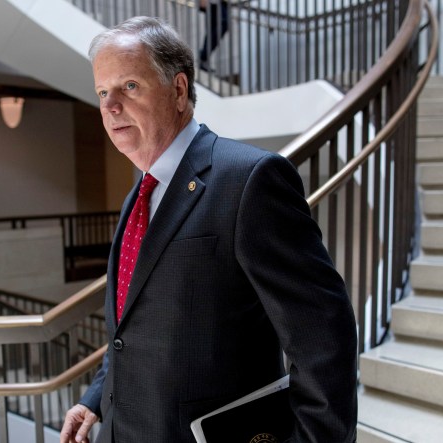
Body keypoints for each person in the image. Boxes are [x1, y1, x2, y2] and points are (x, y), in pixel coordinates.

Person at [60, 16, 357, 443]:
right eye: (103, 92)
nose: (109, 107)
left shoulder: (249, 180)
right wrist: (94, 399)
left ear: (179, 90)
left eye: (128, 87)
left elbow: (324, 336)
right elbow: (131, 329)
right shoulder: (138, 196)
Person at [199, 0, 229, 71]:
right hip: (213, 4)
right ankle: (204, 56)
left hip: (219, 4)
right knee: (222, 25)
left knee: (212, 30)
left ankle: (204, 57)